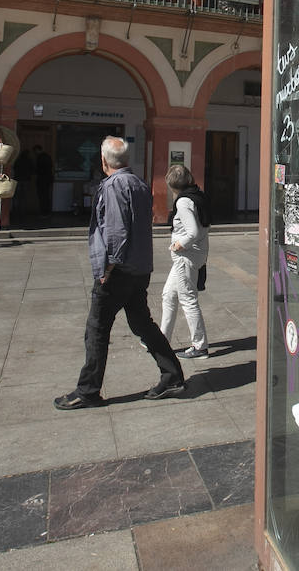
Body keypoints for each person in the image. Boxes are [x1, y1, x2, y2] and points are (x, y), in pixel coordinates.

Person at [54, 136, 184, 409]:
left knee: (97, 329)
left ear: (103, 161)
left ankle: (88, 390)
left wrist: (107, 269)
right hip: (139, 268)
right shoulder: (138, 183)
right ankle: (172, 376)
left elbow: (116, 232)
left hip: (119, 270)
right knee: (142, 324)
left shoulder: (113, 186)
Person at [161, 164, 210, 359]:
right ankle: (162, 339)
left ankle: (199, 346)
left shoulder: (183, 202)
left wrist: (179, 244)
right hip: (194, 255)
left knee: (188, 299)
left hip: (186, 256)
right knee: (168, 295)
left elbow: (194, 232)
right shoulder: (198, 195)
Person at [34, 144, 54, 217]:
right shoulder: (48, 157)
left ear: (37, 150)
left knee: (42, 196)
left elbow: (39, 169)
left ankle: (44, 212)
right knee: (46, 195)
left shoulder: (40, 157)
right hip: (48, 179)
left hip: (42, 179)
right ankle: (46, 212)